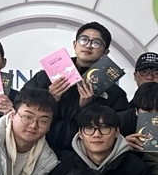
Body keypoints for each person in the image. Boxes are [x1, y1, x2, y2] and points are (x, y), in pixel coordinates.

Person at [24, 22, 132, 150]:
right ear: (75, 44)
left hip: (85, 154)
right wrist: (49, 98)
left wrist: (87, 107)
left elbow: (116, 127)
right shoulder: (45, 76)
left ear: (105, 52)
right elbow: (21, 105)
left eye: (96, 43)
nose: (88, 45)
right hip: (39, 147)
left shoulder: (113, 92)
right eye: (83, 40)